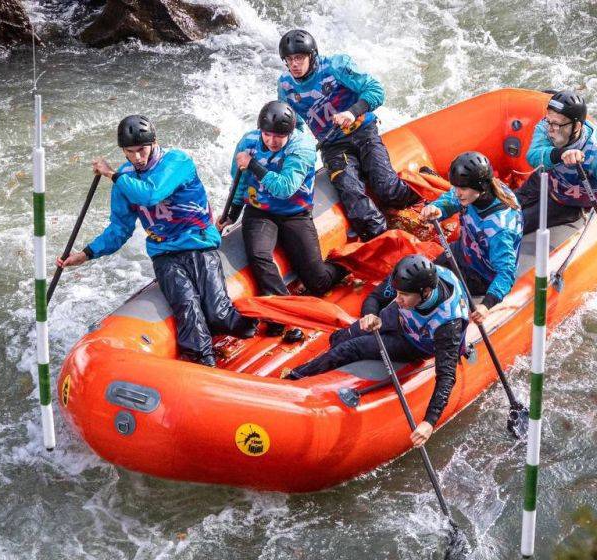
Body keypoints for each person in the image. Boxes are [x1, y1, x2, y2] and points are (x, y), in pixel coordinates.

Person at [56, 115, 257, 368]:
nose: (138, 157)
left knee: (219, 315)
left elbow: (152, 193)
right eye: (131, 152)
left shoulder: (177, 161)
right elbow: (120, 229)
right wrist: (86, 254)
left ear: (154, 143)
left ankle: (256, 326)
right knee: (188, 309)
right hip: (164, 253)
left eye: (142, 150)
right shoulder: (124, 181)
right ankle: (203, 364)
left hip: (199, 243)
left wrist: (111, 174)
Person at [284, 255, 469, 446]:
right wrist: (370, 315)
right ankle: (319, 369)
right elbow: (376, 297)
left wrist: (429, 422)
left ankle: (293, 379)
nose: (397, 298)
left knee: (349, 348)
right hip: (398, 319)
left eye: (403, 295)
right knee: (338, 338)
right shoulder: (413, 279)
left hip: (414, 343)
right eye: (397, 292)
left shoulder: (448, 325)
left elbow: (447, 375)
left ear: (426, 292)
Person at [276, 28, 421, 242]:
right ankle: (385, 243)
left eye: (299, 57)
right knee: (355, 202)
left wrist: (352, 112)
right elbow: (294, 127)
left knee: (387, 189)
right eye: (289, 60)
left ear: (311, 55)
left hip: (363, 132)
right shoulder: (286, 87)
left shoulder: (336, 66)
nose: (294, 64)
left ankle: (421, 206)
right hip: (333, 146)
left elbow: (376, 90)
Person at [226, 101, 347, 325]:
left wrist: (252, 164)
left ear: (289, 133)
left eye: (278, 137)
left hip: (295, 212)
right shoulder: (248, 142)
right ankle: (284, 311)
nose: (272, 141)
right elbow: (239, 180)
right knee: (259, 255)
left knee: (317, 281)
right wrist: (232, 213)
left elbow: (285, 188)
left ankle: (344, 267)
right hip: (260, 211)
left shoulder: (302, 148)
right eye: (267, 135)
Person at [516, 90, 597, 277]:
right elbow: (533, 156)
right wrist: (559, 155)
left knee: (518, 222)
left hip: (566, 202)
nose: (550, 129)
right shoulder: (547, 126)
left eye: (557, 124)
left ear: (577, 126)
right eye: (549, 121)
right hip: (544, 179)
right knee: (506, 210)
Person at [419, 151, 522, 325]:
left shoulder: (499, 229)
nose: (458, 193)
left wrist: (485, 306)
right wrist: (437, 209)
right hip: (462, 251)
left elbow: (506, 273)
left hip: (481, 275)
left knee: (426, 292)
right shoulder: (477, 190)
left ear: (481, 187)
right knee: (420, 276)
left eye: (462, 188)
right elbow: (451, 198)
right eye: (456, 187)